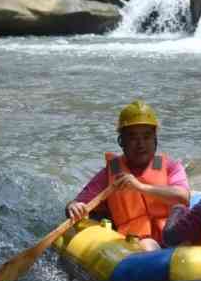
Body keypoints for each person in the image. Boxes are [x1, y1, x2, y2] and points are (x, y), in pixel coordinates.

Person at [66, 100, 190, 251]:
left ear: (155, 139)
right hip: (137, 241)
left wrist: (140, 187)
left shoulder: (171, 167)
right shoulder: (110, 174)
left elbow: (183, 196)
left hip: (171, 236)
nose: (140, 144)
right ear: (121, 141)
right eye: (133, 137)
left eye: (146, 136)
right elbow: (79, 203)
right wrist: (74, 207)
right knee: (149, 247)